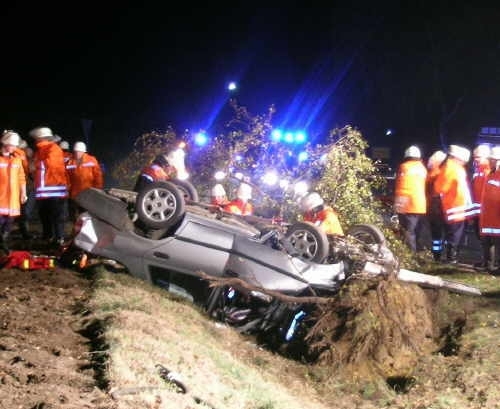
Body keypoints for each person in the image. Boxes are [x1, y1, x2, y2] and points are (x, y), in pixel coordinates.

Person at [433, 145, 475, 264]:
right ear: (458, 158)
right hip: (456, 206)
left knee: (452, 233)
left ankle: (451, 257)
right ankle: (452, 257)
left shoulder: (449, 168)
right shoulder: (456, 169)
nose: (464, 163)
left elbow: (439, 188)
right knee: (455, 234)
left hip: (452, 206)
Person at [30, 126, 69, 246]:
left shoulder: (53, 148)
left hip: (55, 189)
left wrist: (35, 164)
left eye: (37, 138)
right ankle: (48, 237)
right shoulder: (40, 151)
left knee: (57, 216)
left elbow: (50, 164)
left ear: (42, 138)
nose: (35, 140)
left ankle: (59, 238)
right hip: (44, 191)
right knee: (45, 216)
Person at [393, 145, 427, 252]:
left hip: (408, 206)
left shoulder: (404, 167)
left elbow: (402, 187)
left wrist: (398, 205)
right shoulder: (422, 168)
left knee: (408, 232)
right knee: (417, 232)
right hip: (420, 206)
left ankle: (410, 256)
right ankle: (419, 254)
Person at [0, 131, 27, 252]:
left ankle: (3, 244)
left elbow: (21, 177)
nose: (15, 148)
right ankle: (2, 246)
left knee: (8, 224)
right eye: (12, 145)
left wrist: (23, 193)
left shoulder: (16, 159)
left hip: (13, 199)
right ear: (5, 143)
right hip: (1, 198)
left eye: (15, 146)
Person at [66, 141, 104, 223]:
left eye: (79, 152)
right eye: (75, 152)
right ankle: (76, 226)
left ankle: (85, 226)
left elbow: (98, 176)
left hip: (87, 193)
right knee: (72, 214)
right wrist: (68, 190)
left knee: (85, 213)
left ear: (83, 152)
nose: (77, 153)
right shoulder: (70, 162)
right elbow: (67, 177)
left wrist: (97, 190)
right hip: (74, 194)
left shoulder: (91, 160)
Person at [477, 146, 500, 274]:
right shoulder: (490, 174)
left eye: (492, 160)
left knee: (498, 243)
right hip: (488, 217)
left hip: (497, 217)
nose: (489, 162)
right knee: (486, 241)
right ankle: (487, 264)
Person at [425, 150, 447, 261]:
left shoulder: (429, 173)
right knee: (443, 233)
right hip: (438, 208)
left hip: (431, 208)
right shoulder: (439, 173)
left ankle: (436, 255)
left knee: (435, 235)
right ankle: (443, 255)